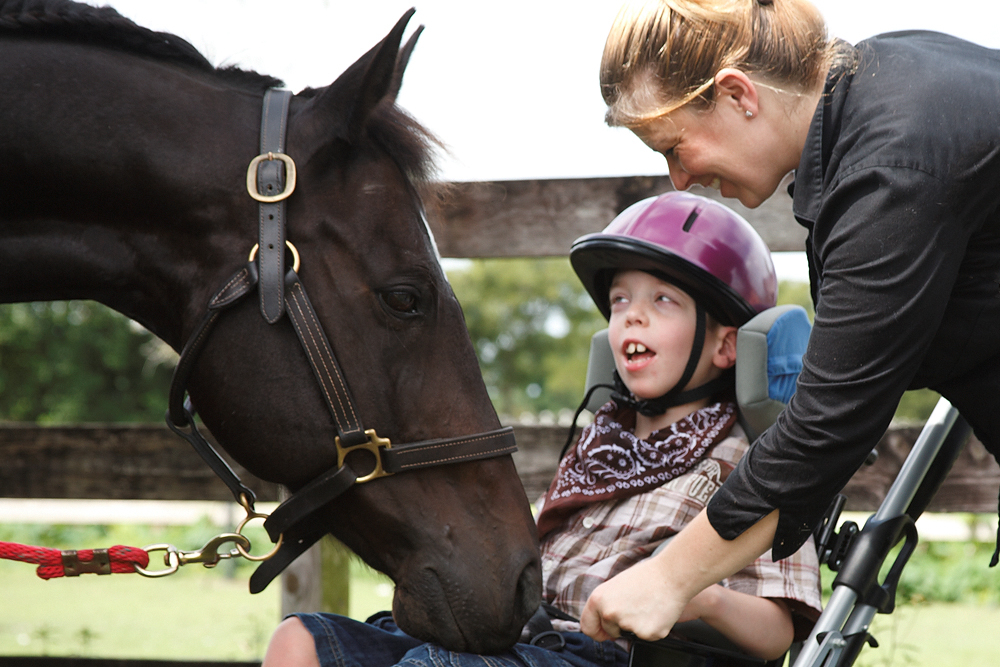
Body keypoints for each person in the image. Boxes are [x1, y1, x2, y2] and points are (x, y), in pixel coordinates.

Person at [581, 0, 1000, 647]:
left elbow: (826, 425)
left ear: (738, 94)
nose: (681, 178)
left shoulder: (891, 162)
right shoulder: (882, 89)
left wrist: (668, 577)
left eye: (674, 147)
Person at [260, 191, 822, 666]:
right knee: (302, 641)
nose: (632, 315)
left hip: (608, 653)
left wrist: (695, 596)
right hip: (525, 636)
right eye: (620, 299)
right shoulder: (600, 444)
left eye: (664, 301)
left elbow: (777, 631)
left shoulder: (753, 465)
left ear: (728, 344)